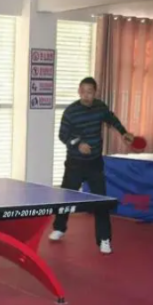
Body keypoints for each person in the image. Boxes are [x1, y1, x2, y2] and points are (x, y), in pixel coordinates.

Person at [49, 76, 134, 254]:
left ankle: (104, 239)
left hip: (95, 163)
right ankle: (59, 227)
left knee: (101, 202)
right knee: (65, 198)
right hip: (74, 163)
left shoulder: (100, 107)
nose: (87, 95)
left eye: (90, 92)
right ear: (79, 91)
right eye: (84, 91)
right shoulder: (71, 112)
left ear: (95, 93)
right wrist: (78, 144)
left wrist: (124, 132)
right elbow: (63, 135)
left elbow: (112, 119)